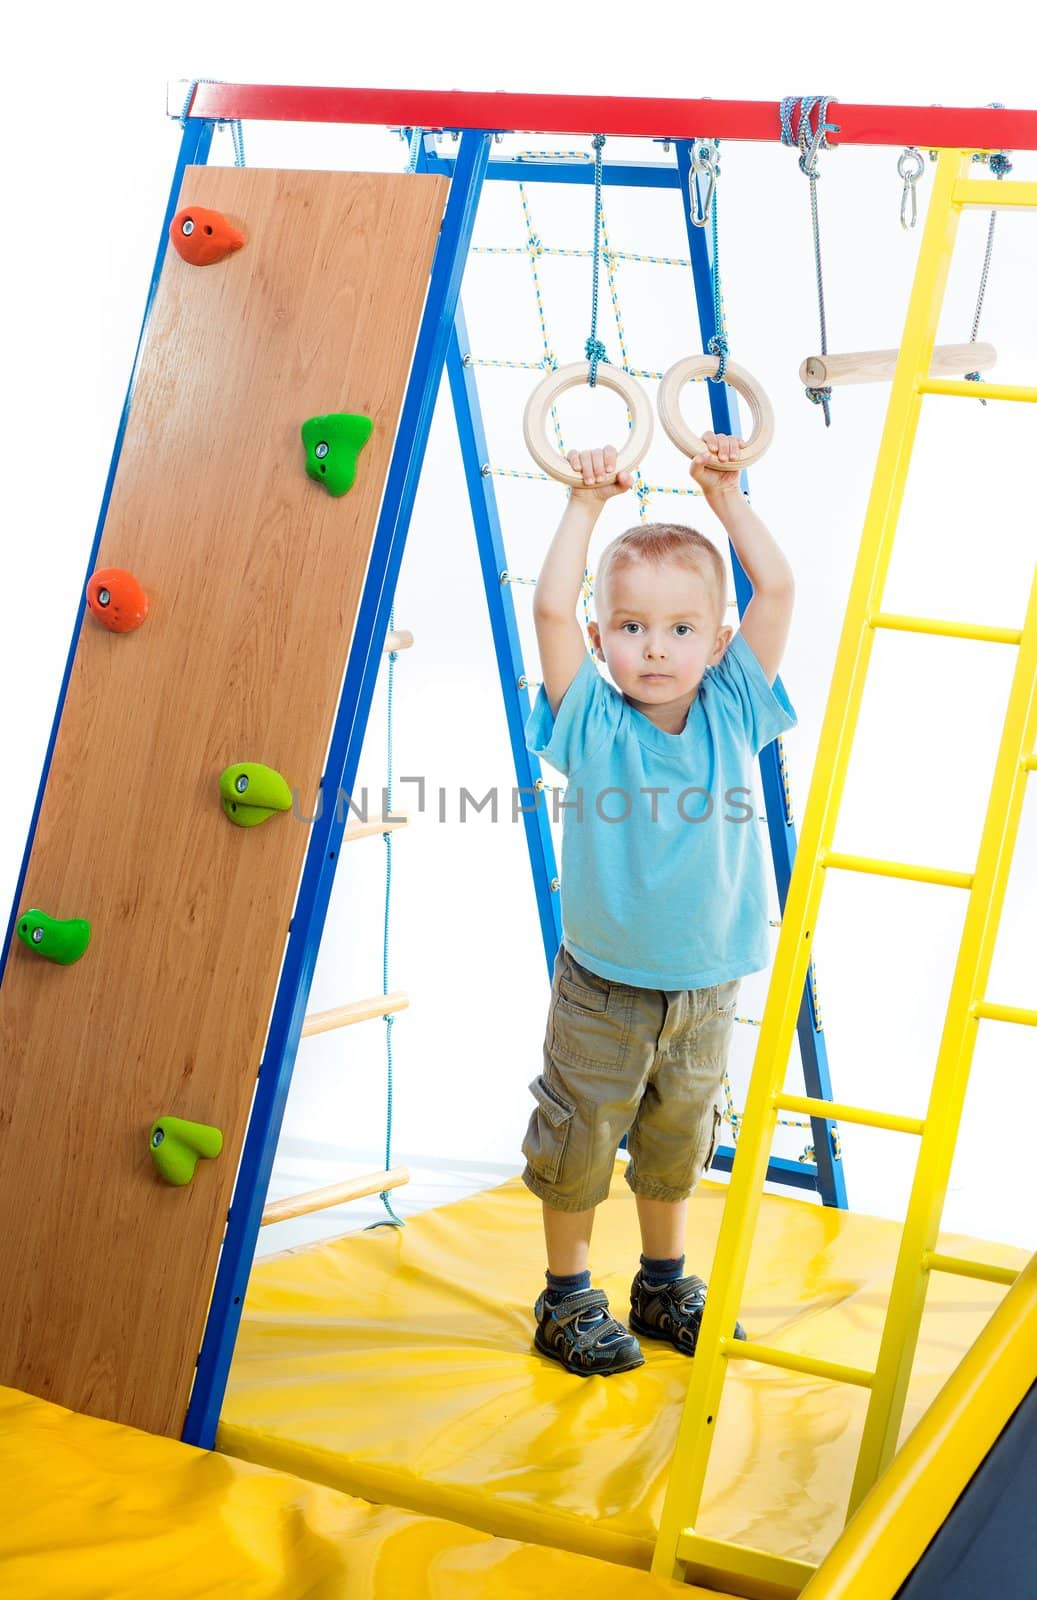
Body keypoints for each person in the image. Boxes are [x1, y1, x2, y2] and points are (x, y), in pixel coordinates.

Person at [521, 432, 797, 1374]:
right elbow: (551, 607)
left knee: (679, 1141)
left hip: (706, 984)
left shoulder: (732, 709)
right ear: (603, 641)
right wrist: (584, 505)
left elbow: (780, 591)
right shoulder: (591, 720)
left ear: (717, 641)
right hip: (604, 985)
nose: (654, 647)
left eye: (681, 628)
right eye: (631, 626)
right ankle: (564, 1299)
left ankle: (663, 1282)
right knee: (579, 1141)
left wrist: (725, 498)